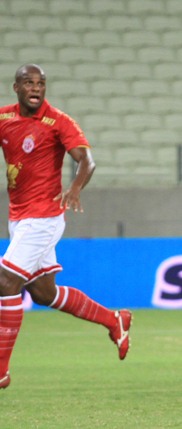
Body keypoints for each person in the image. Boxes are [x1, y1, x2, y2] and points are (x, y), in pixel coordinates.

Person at [0, 64, 131, 390]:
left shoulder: (58, 121)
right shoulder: (4, 117)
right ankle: (113, 319)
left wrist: (74, 188)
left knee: (5, 282)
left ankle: (0, 371)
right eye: (29, 83)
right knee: (43, 293)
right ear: (16, 87)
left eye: (40, 83)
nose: (36, 88)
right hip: (18, 217)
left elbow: (87, 160)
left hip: (43, 218)